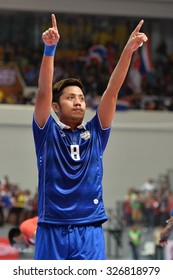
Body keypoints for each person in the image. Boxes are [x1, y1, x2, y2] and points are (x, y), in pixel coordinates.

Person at [32, 13, 148, 260]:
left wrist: (128, 51)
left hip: (90, 228)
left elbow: (112, 92)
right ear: (55, 107)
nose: (78, 102)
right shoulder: (46, 133)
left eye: (82, 99)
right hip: (51, 227)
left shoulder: (95, 133)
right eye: (70, 98)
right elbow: (43, 93)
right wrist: (50, 49)